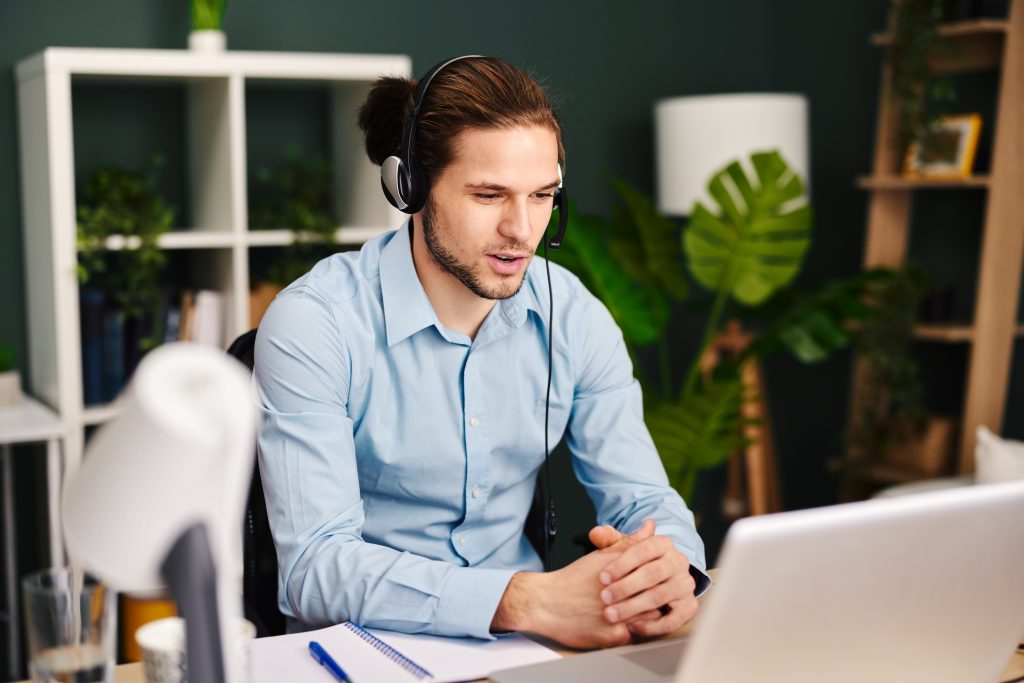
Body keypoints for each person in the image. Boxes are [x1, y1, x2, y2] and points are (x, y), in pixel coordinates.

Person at [253, 55, 709, 650]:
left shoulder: (573, 316)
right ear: (411, 188)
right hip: (362, 649)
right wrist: (524, 600)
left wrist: (671, 567)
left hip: (526, 647)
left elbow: (644, 500)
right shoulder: (317, 323)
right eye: (490, 195)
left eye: (542, 195)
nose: (522, 230)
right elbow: (314, 566)